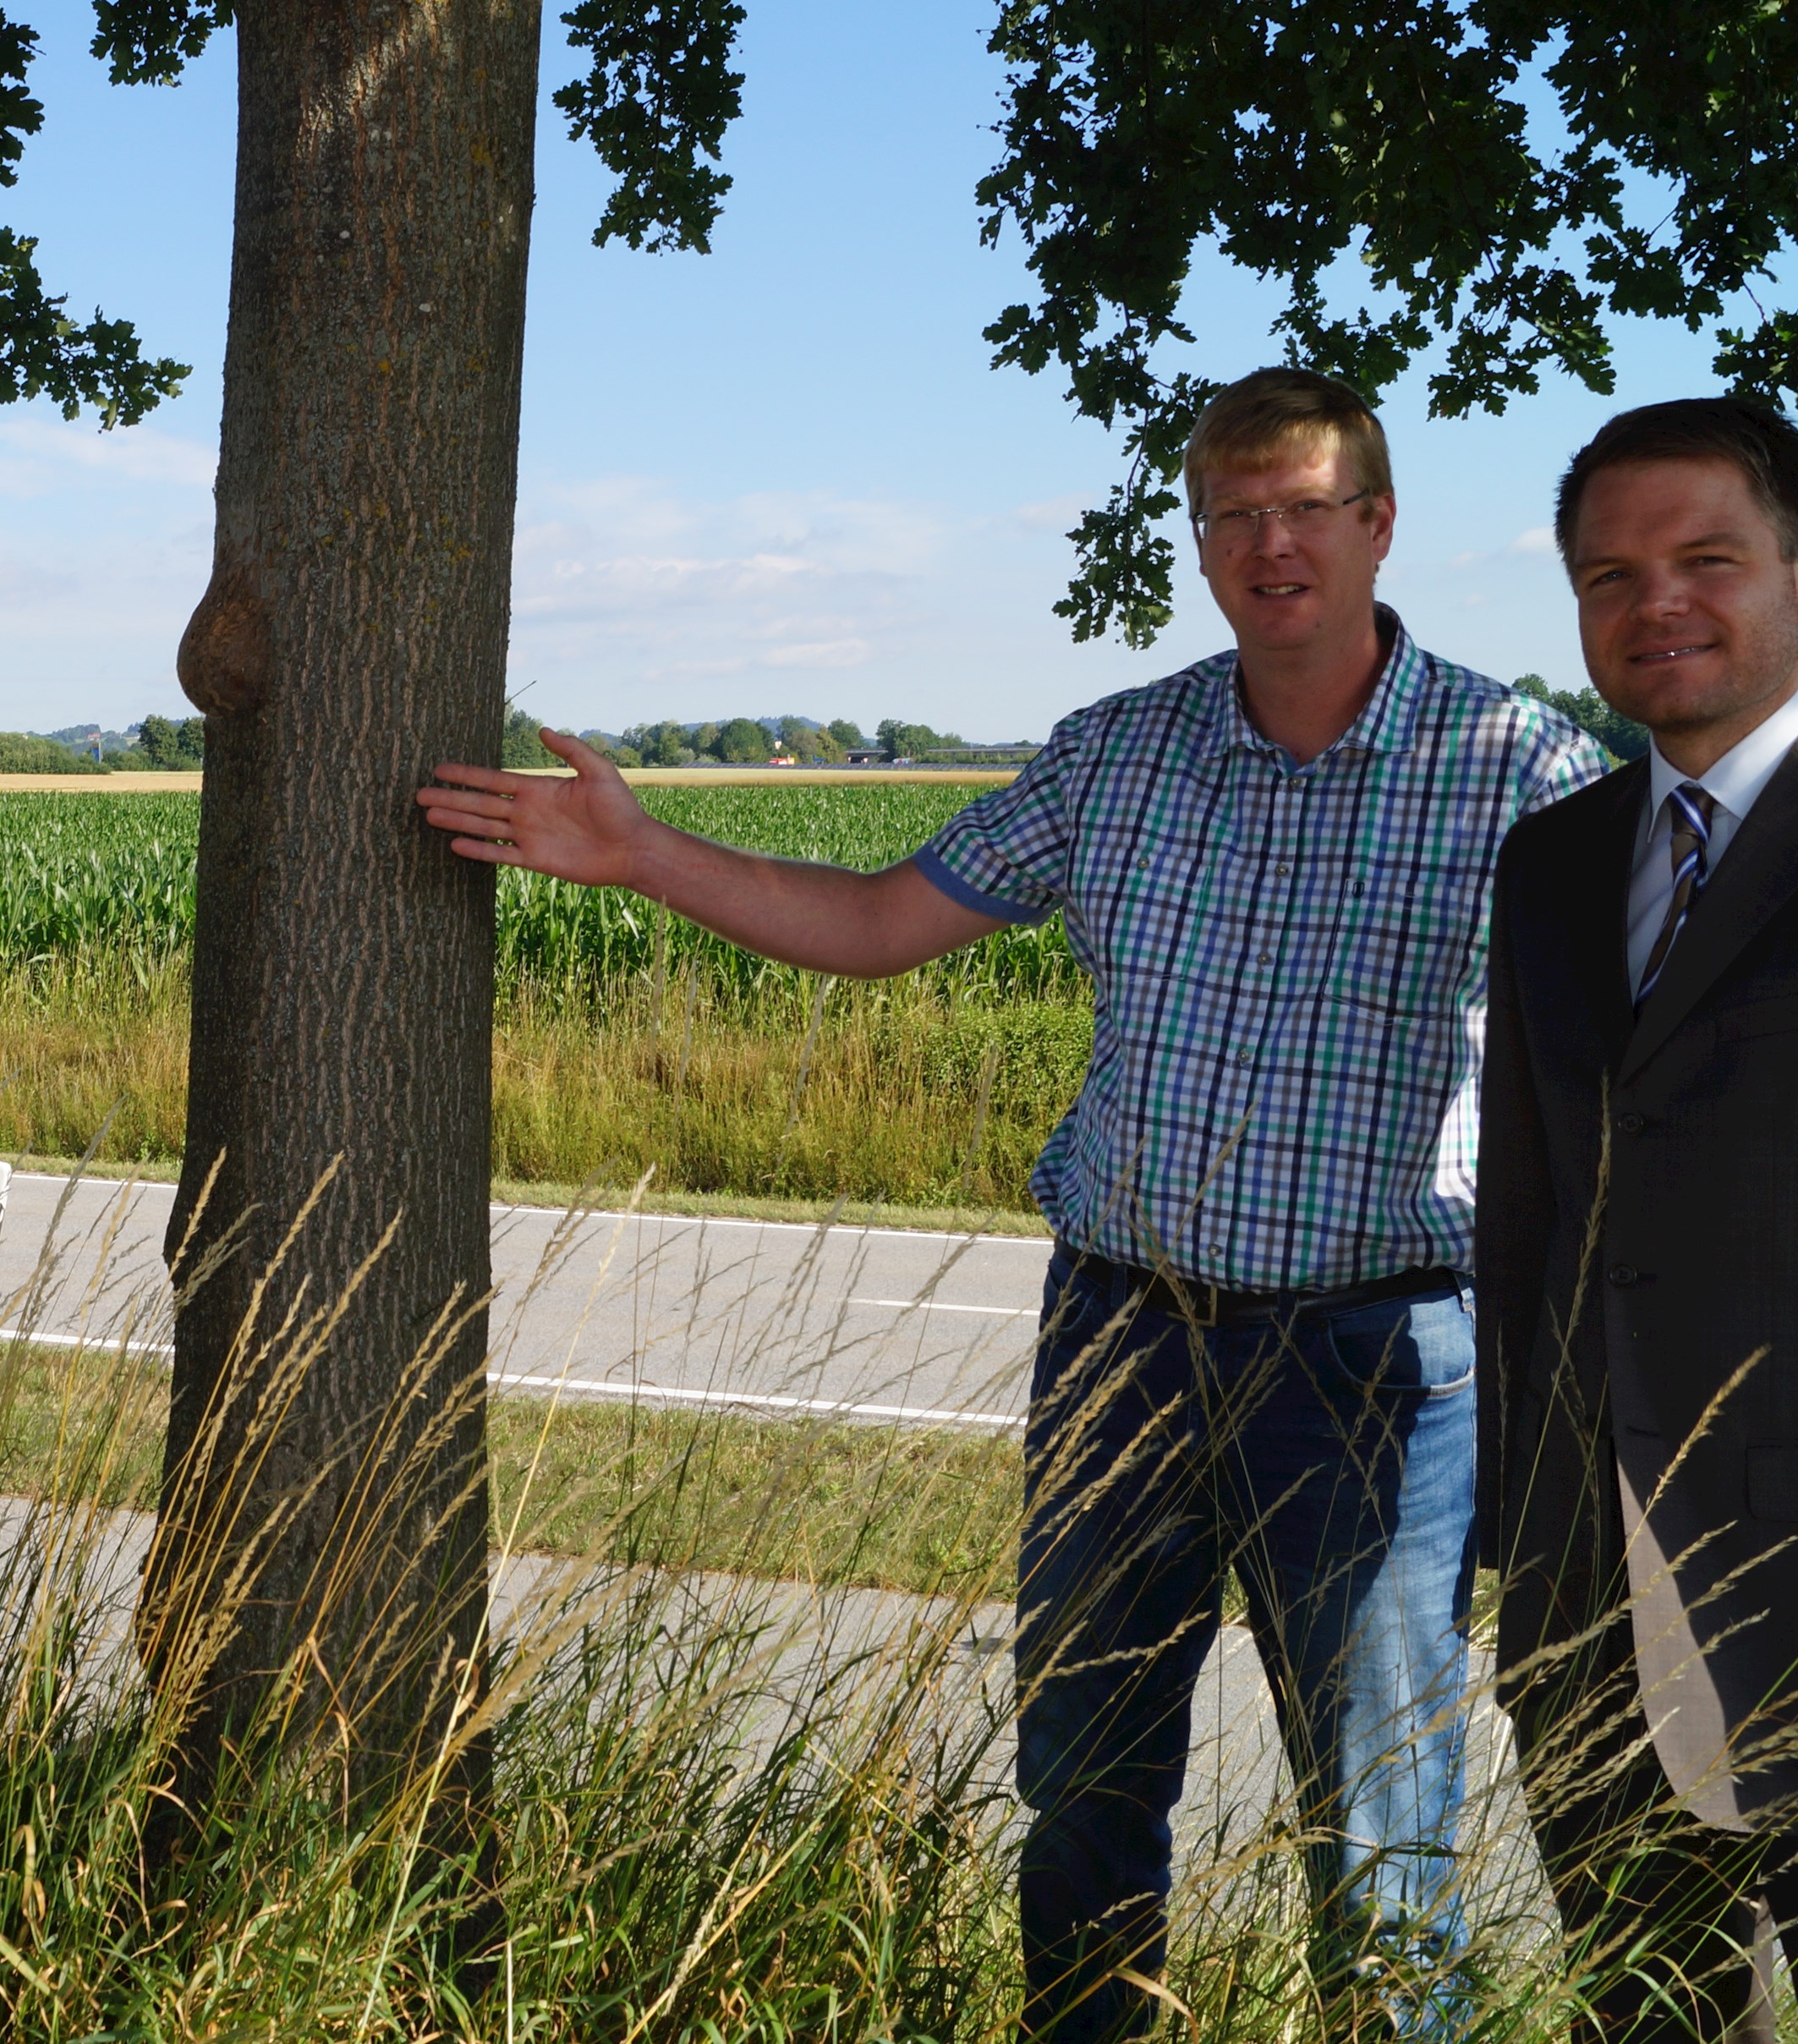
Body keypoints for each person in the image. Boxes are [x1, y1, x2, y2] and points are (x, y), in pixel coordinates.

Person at [422, 366, 1603, 2038]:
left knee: (1378, 1835)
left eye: (1302, 508)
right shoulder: (1114, 753)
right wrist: (638, 850)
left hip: (1376, 1369)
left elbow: (1649, 1046)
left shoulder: (1515, 770)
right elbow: (878, 918)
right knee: (1080, 1789)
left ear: (1375, 525)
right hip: (1120, 1334)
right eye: (1230, 513)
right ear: (1197, 540)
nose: (1267, 542)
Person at [1478, 397, 1798, 2040]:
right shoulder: (1550, 865)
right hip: (1592, 1629)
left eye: (1706, 556)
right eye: (1606, 573)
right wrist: (1525, 1582)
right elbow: (1533, 1240)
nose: (1656, 602)